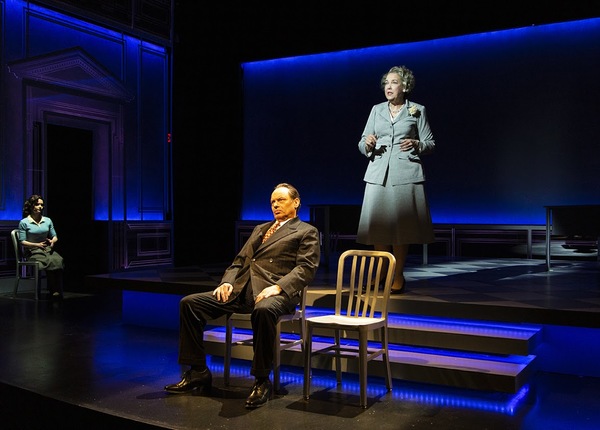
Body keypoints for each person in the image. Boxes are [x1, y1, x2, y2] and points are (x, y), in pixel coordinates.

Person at [164, 183, 320, 408]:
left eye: (280, 200)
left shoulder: (306, 231)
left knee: (264, 309)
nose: (275, 205)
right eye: (272, 202)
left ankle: (261, 380)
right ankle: (198, 371)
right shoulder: (261, 229)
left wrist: (278, 287)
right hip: (242, 290)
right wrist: (227, 281)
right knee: (190, 303)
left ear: (296, 202)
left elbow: (306, 268)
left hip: (275, 292)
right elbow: (239, 261)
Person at [356, 65, 435, 294]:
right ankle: (381, 273)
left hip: (405, 173)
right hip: (378, 173)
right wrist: (368, 144)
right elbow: (362, 142)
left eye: (394, 82)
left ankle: (397, 273)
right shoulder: (376, 110)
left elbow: (430, 143)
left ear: (405, 86)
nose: (389, 87)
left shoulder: (417, 110)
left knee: (402, 228)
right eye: (386, 83)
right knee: (379, 227)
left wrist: (416, 144)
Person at [17, 194, 65, 298]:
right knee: (48, 260)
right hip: (32, 250)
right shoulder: (24, 222)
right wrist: (36, 244)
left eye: (41, 205)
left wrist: (53, 241)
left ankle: (58, 290)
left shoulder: (47, 220)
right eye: (37, 204)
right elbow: (22, 241)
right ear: (31, 206)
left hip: (46, 248)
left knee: (58, 259)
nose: (40, 207)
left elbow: (55, 236)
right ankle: (53, 289)